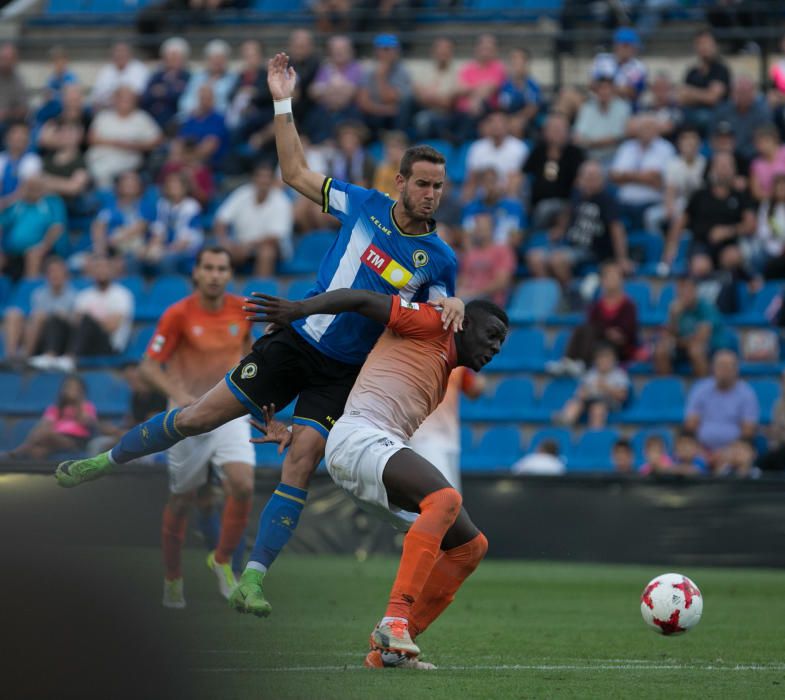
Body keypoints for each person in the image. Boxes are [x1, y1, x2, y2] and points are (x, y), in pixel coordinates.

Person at [55, 53, 463, 622]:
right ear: (399, 182)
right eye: (422, 183)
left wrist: (455, 301)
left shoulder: (438, 259)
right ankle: (107, 458)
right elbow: (295, 173)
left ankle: (252, 578)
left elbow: (439, 312)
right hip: (296, 342)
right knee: (200, 417)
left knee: (300, 461)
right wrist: (281, 101)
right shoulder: (363, 204)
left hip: (344, 371)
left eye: (439, 186)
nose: (431, 194)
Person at [242, 287, 508, 668]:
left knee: (470, 547)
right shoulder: (430, 323)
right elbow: (359, 299)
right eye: (492, 334)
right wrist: (299, 310)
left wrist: (299, 432)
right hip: (360, 441)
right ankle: (394, 620)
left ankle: (391, 653)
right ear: (463, 323)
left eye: (502, 341)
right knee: (446, 499)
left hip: (366, 448)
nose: (497, 347)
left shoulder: (445, 364)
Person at [138, 246, 254, 608]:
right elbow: (149, 365)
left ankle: (221, 561)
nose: (216, 274)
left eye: (222, 268)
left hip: (229, 413)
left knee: (243, 484)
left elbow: (250, 354)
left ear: (229, 274)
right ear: (197, 273)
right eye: (209, 267)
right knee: (182, 499)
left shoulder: (242, 310)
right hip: (186, 419)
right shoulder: (178, 315)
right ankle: (173, 578)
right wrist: (180, 395)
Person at [527, 161, 631, 289]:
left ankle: (569, 295)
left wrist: (622, 258)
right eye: (586, 177)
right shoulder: (577, 196)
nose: (589, 181)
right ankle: (548, 295)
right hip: (569, 245)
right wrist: (560, 229)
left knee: (558, 260)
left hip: (593, 251)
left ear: (602, 180)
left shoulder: (607, 200)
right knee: (534, 257)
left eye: (594, 178)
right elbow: (568, 213)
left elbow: (617, 229)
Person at [664, 152, 755, 270]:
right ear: (712, 169)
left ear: (734, 170)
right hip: (701, 244)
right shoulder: (699, 195)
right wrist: (671, 248)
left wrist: (728, 231)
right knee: (700, 265)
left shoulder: (740, 196)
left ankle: (727, 286)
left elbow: (750, 225)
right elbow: (680, 222)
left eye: (728, 166)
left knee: (733, 256)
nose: (724, 170)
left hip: (729, 244)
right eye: (721, 166)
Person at [547, 260, 639, 376]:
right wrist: (606, 331)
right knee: (583, 329)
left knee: (600, 341)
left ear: (621, 280)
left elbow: (629, 331)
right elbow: (593, 323)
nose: (611, 281)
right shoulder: (597, 305)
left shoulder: (628, 305)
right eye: (607, 277)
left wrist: (615, 334)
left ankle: (583, 364)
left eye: (614, 277)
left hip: (619, 346)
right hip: (600, 338)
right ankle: (568, 361)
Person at [408, 367, 486, 492]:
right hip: (423, 436)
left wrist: (479, 382)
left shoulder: (457, 359)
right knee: (442, 495)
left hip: (450, 439)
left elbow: (473, 390)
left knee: (451, 497)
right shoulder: (414, 354)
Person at [213, 162, 293, 277]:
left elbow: (275, 238)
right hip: (241, 246)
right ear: (253, 178)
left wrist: (248, 246)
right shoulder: (242, 193)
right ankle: (226, 292)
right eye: (260, 176)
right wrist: (225, 242)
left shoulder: (281, 200)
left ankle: (259, 292)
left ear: (272, 180)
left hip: (273, 249)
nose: (263, 180)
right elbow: (221, 220)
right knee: (222, 252)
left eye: (267, 177)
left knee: (266, 252)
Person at [684, 349, 759, 465]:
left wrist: (725, 453)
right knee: (685, 449)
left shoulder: (747, 394)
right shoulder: (700, 390)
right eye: (720, 366)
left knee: (744, 455)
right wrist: (701, 450)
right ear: (713, 368)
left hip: (734, 449)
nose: (724, 371)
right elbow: (690, 425)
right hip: (701, 448)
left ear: (736, 369)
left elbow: (748, 431)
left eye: (728, 367)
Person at [63, 255, 134, 370]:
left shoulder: (122, 295)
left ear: (111, 270)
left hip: (110, 346)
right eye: (98, 267)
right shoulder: (83, 296)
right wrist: (99, 321)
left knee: (87, 320)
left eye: (105, 267)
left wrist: (90, 320)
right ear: (92, 271)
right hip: (87, 344)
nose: (101, 271)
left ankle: (70, 358)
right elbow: (75, 324)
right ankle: (50, 356)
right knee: (56, 320)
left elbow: (112, 327)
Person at [4, 256, 76, 369]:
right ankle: (11, 357)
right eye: (51, 271)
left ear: (65, 274)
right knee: (13, 314)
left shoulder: (73, 295)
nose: (55, 275)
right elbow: (33, 319)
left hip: (60, 340)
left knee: (39, 316)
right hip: (38, 334)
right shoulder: (39, 294)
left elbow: (75, 323)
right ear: (46, 275)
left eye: (58, 271)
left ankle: (25, 357)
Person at [4, 375, 97, 461]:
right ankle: (40, 477)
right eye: (68, 387)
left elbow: (85, 422)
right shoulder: (55, 408)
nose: (70, 390)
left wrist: (78, 401)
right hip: (53, 440)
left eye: (74, 388)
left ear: (81, 391)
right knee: (37, 451)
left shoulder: (86, 406)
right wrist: (44, 426)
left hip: (75, 441)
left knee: (46, 434)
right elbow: (45, 424)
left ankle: (20, 450)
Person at [86, 86, 163, 189]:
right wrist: (115, 142)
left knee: (101, 170)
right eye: (121, 99)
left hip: (128, 156)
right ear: (115, 100)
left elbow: (157, 140)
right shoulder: (104, 116)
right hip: (100, 154)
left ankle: (106, 197)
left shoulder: (141, 117)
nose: (124, 102)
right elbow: (91, 138)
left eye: (128, 99)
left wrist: (133, 145)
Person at [609, 114, 675, 231]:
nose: (646, 131)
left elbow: (658, 181)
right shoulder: (626, 147)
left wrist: (627, 176)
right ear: (637, 130)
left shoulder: (666, 149)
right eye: (643, 128)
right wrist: (644, 176)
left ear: (656, 130)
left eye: (650, 127)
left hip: (650, 204)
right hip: (623, 203)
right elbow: (614, 176)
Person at [523, 112, 585, 231]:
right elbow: (523, 172)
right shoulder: (539, 151)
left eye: (559, 129)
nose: (555, 133)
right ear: (545, 132)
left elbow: (580, 180)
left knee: (545, 208)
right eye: (552, 129)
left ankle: (533, 233)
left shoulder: (575, 153)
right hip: (535, 201)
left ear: (568, 132)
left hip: (564, 202)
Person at [653, 275, 724, 377]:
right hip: (683, 347)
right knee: (661, 351)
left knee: (696, 351)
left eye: (687, 290)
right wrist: (673, 317)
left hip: (711, 347)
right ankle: (669, 388)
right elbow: (669, 335)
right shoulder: (676, 309)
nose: (684, 294)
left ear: (695, 291)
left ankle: (702, 388)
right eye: (680, 290)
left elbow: (701, 339)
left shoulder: (706, 308)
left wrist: (676, 341)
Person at [0, 173, 66, 281]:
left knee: (33, 255)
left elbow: (57, 228)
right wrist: (15, 196)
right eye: (29, 187)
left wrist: (43, 247)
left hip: (42, 250)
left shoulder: (52, 202)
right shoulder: (17, 205)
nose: (34, 190)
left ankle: (29, 289)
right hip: (10, 251)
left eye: (37, 187)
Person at [139, 171, 203, 276]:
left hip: (188, 249)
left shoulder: (192, 206)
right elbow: (158, 230)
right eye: (171, 186)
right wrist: (151, 247)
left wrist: (164, 251)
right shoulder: (162, 204)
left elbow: (185, 240)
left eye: (177, 186)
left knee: (166, 260)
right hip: (167, 246)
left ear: (185, 188)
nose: (173, 188)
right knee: (139, 256)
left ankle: (168, 288)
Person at [556, 344, 629, 428]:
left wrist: (606, 388)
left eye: (607, 360)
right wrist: (584, 393)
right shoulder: (591, 374)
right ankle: (564, 423)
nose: (604, 363)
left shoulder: (619, 375)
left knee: (597, 408)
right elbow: (580, 392)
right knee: (575, 403)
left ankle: (594, 434)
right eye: (601, 360)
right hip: (590, 399)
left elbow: (622, 396)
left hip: (609, 402)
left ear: (613, 361)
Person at [307, 35, 363, 142]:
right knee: (313, 117)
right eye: (335, 50)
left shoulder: (355, 67)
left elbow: (349, 94)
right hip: (325, 110)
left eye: (342, 50)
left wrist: (326, 89)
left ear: (350, 51)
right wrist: (337, 89)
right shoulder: (326, 67)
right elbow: (313, 92)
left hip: (348, 111)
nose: (338, 53)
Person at [356, 34, 412, 139]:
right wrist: (386, 110)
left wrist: (381, 78)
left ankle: (398, 142)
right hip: (376, 114)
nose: (390, 53)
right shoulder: (368, 71)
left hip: (395, 119)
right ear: (377, 51)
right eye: (385, 49)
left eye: (393, 49)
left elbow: (390, 98)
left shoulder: (402, 72)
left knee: (403, 109)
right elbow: (363, 103)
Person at [462, 111, 527, 202]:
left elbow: (516, 180)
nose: (496, 125)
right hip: (481, 196)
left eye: (500, 122)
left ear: (508, 125)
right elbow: (472, 179)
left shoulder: (519, 148)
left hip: (506, 195)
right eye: (492, 122)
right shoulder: (477, 147)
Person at [678, 28, 731, 135]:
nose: (704, 47)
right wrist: (703, 95)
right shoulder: (692, 72)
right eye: (700, 43)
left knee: (704, 118)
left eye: (707, 43)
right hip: (692, 113)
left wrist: (691, 93)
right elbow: (682, 98)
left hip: (715, 115)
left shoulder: (720, 69)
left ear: (714, 45)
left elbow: (712, 98)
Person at [456, 212, 516, 307]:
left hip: (491, 301)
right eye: (478, 227)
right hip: (469, 297)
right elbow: (464, 278)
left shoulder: (503, 250)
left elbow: (502, 282)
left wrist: (474, 293)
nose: (480, 230)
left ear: (492, 229)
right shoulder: (471, 252)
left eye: (483, 227)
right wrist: (459, 291)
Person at [572, 77, 630, 167]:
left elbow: (616, 138)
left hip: (613, 157)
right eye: (601, 88)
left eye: (607, 88)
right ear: (596, 91)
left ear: (613, 90)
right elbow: (577, 137)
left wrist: (588, 143)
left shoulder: (623, 107)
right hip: (588, 157)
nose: (604, 92)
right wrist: (592, 143)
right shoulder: (587, 107)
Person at [91, 170, 148, 260]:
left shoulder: (144, 205)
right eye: (126, 183)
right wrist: (101, 246)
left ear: (139, 187)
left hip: (136, 245)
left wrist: (119, 237)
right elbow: (99, 225)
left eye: (133, 183)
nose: (129, 186)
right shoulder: (110, 206)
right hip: (112, 246)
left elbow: (142, 225)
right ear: (119, 186)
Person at [462, 167, 526, 247]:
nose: (489, 186)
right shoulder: (470, 208)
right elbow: (466, 238)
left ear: (500, 183)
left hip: (504, 254)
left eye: (493, 181)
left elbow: (516, 238)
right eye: (485, 182)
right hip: (478, 253)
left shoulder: (514, 207)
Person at [713, 75, 770, 163]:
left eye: (747, 92)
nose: (743, 96)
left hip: (754, 158)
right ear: (732, 93)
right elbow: (712, 136)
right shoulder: (722, 111)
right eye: (740, 92)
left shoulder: (763, 112)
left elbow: (767, 139)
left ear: (753, 93)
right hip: (726, 157)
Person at [412, 37, 459, 142]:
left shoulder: (457, 72)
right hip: (424, 110)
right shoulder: (423, 69)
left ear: (451, 52)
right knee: (408, 101)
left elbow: (447, 103)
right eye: (440, 49)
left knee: (423, 119)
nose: (443, 52)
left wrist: (429, 97)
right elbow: (418, 95)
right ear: (433, 51)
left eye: (447, 49)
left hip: (446, 114)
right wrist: (437, 98)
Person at [140, 37, 192, 130]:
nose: (173, 60)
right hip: (153, 118)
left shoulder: (187, 77)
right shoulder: (157, 76)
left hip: (176, 119)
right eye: (170, 56)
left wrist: (164, 91)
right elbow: (146, 97)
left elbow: (182, 99)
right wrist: (171, 89)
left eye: (176, 57)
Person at [590, 27, 648, 108]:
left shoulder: (639, 67)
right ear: (616, 45)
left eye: (632, 46)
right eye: (625, 45)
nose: (628, 49)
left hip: (626, 107)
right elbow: (593, 85)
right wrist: (617, 89)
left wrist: (606, 88)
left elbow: (632, 92)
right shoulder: (601, 59)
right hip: (599, 105)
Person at [663, 125, 706, 230]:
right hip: (679, 203)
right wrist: (669, 207)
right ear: (679, 144)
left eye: (693, 138)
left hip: (701, 205)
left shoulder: (705, 163)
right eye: (686, 138)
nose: (690, 142)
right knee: (652, 217)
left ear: (700, 143)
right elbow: (670, 190)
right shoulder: (672, 164)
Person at [178, 39, 235, 118]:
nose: (217, 62)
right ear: (207, 60)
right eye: (214, 59)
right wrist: (197, 110)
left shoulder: (233, 79)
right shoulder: (197, 77)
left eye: (220, 59)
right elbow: (185, 102)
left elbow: (232, 107)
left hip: (221, 119)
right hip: (195, 117)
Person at [177, 83, 229, 169]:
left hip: (209, 163)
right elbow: (180, 140)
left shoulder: (218, 119)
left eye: (207, 98)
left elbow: (209, 146)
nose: (204, 101)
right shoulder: (192, 118)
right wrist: (178, 157)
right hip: (186, 160)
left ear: (213, 100)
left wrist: (189, 160)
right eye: (202, 98)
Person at [90, 42, 150, 110]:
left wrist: (118, 97)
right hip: (108, 109)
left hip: (134, 109)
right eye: (117, 52)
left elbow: (139, 94)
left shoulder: (139, 68)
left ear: (130, 54)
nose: (120, 55)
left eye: (123, 52)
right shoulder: (106, 70)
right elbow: (97, 95)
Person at [498, 48, 542, 138]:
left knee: (517, 126)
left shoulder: (532, 84)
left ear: (526, 63)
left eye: (520, 60)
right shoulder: (505, 84)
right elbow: (503, 106)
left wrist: (518, 119)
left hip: (527, 121)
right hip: (508, 119)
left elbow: (532, 108)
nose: (517, 64)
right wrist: (508, 120)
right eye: (513, 60)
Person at [752, 172, 785, 278]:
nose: (781, 191)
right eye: (778, 188)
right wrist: (773, 231)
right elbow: (761, 232)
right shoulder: (767, 206)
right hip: (769, 249)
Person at [0, 122, 42, 204]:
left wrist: (5, 203)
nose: (20, 137)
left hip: (22, 205)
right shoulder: (1, 158)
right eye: (16, 133)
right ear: (7, 138)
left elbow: (25, 191)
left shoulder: (33, 160)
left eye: (23, 134)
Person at [749, 125, 785, 203]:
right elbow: (756, 193)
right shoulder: (756, 164)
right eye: (758, 143)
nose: (760, 146)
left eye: (764, 141)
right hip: (770, 204)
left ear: (774, 140)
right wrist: (776, 196)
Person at [0, 43, 28, 129]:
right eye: (3, 58)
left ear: (15, 60)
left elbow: (23, 110)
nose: (5, 62)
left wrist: (6, 114)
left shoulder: (19, 82)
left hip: (8, 124)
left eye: (9, 59)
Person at [372, 131, 408, 197]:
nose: (389, 151)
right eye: (387, 147)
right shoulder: (383, 169)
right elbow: (379, 194)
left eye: (394, 147)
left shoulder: (410, 170)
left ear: (403, 149)